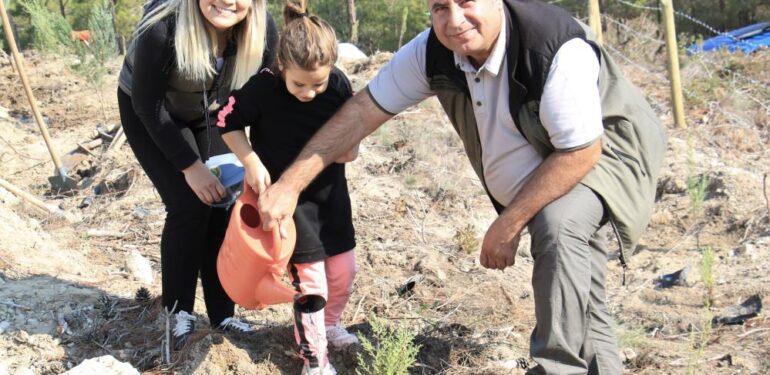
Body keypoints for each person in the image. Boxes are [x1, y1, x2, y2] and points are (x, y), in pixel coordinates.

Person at [257, 0, 668, 374]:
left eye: (466, 2)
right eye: (440, 7)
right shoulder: (433, 51)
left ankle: (556, 369)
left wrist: (508, 223)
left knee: (558, 225)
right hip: (557, 157)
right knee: (580, 294)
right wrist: (289, 185)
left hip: (604, 152)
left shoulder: (551, 47)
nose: (454, 20)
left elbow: (579, 151)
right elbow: (363, 112)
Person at [116, 0, 278, 349]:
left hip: (212, 111)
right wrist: (191, 168)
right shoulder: (162, 27)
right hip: (152, 111)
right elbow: (148, 105)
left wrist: (257, 163)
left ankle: (223, 314)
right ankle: (178, 313)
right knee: (189, 204)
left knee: (225, 199)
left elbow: (269, 104)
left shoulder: (264, 31)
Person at [217, 1, 360, 373]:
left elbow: (354, 122)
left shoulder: (339, 84)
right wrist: (251, 161)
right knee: (312, 286)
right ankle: (314, 359)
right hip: (288, 209)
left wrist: (352, 147)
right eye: (299, 84)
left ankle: (330, 324)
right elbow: (225, 119)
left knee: (343, 272)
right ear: (281, 65)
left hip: (331, 198)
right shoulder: (264, 86)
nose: (309, 93)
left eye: (318, 84)